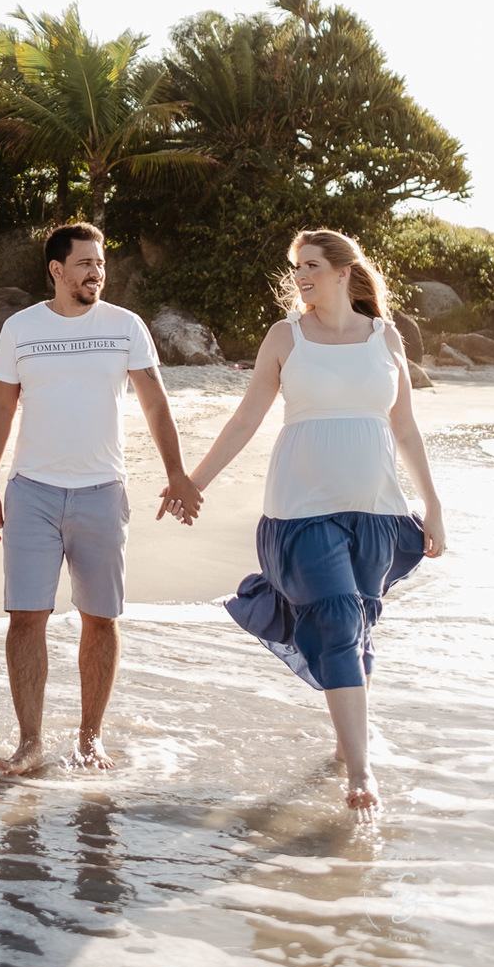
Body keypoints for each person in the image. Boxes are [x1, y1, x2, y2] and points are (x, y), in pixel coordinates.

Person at [163, 228, 445, 813]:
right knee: (338, 615)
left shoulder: (386, 337)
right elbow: (245, 420)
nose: (301, 276)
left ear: (344, 271)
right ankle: (361, 774)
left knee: (358, 623)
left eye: (312, 265)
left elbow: (406, 428)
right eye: (297, 267)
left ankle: (347, 745)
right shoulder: (285, 336)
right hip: (301, 507)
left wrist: (433, 506)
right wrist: (193, 481)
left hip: (377, 508)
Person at [0, 222, 203, 776]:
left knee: (100, 619)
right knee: (25, 617)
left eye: (100, 264)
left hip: (102, 493)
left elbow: (155, 402)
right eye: (84, 264)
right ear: (56, 270)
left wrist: (177, 473)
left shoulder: (126, 326)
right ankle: (30, 743)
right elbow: (1, 407)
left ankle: (89, 739)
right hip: (31, 491)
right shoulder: (20, 328)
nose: (96, 273)